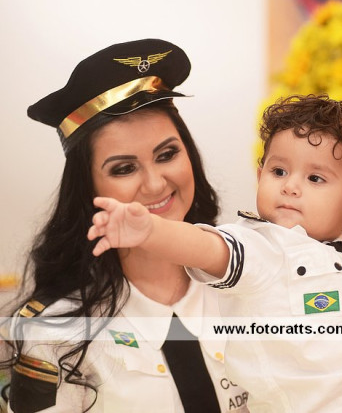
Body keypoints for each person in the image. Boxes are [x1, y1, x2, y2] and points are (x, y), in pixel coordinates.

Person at [87, 94, 342, 413]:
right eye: (278, 171)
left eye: (315, 178)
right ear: (260, 175)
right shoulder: (261, 247)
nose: (290, 186)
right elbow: (206, 248)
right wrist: (151, 231)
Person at [1, 39, 248, 412]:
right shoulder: (53, 333)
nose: (155, 184)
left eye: (167, 154)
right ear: (89, 189)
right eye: (124, 168)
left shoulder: (252, 282)